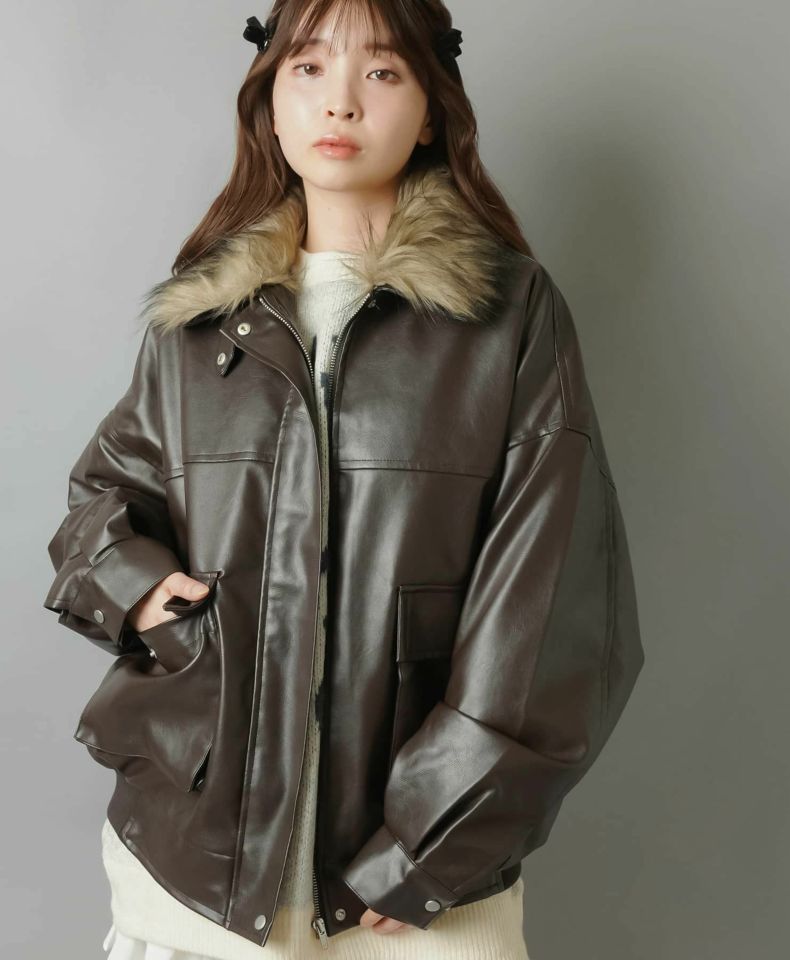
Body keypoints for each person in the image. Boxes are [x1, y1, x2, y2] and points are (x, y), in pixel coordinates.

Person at [42, 1, 645, 958]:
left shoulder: (507, 317)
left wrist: (429, 845)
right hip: (189, 879)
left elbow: (553, 612)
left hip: (407, 899)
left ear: (433, 109)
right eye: (310, 68)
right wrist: (138, 587)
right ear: (270, 105)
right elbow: (102, 501)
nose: (342, 102)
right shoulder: (201, 321)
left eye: (383, 72)